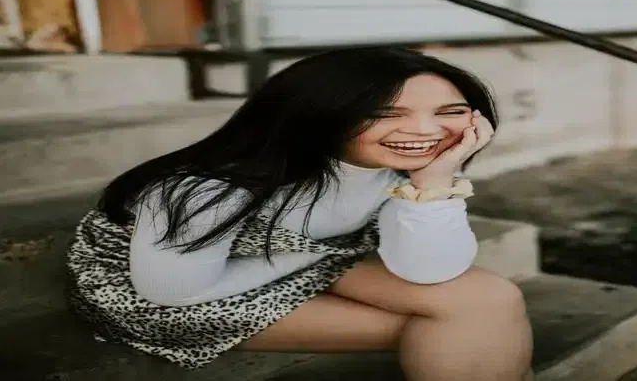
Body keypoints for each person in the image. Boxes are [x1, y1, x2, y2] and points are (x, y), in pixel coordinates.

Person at [66, 46, 534, 380]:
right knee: (468, 329)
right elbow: (173, 291)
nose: (425, 131)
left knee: (492, 298)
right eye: (386, 113)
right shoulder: (205, 189)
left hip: (304, 258)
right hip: (166, 293)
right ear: (321, 113)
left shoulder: (407, 164)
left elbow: (428, 270)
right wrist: (312, 255)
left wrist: (433, 184)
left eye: (450, 111)